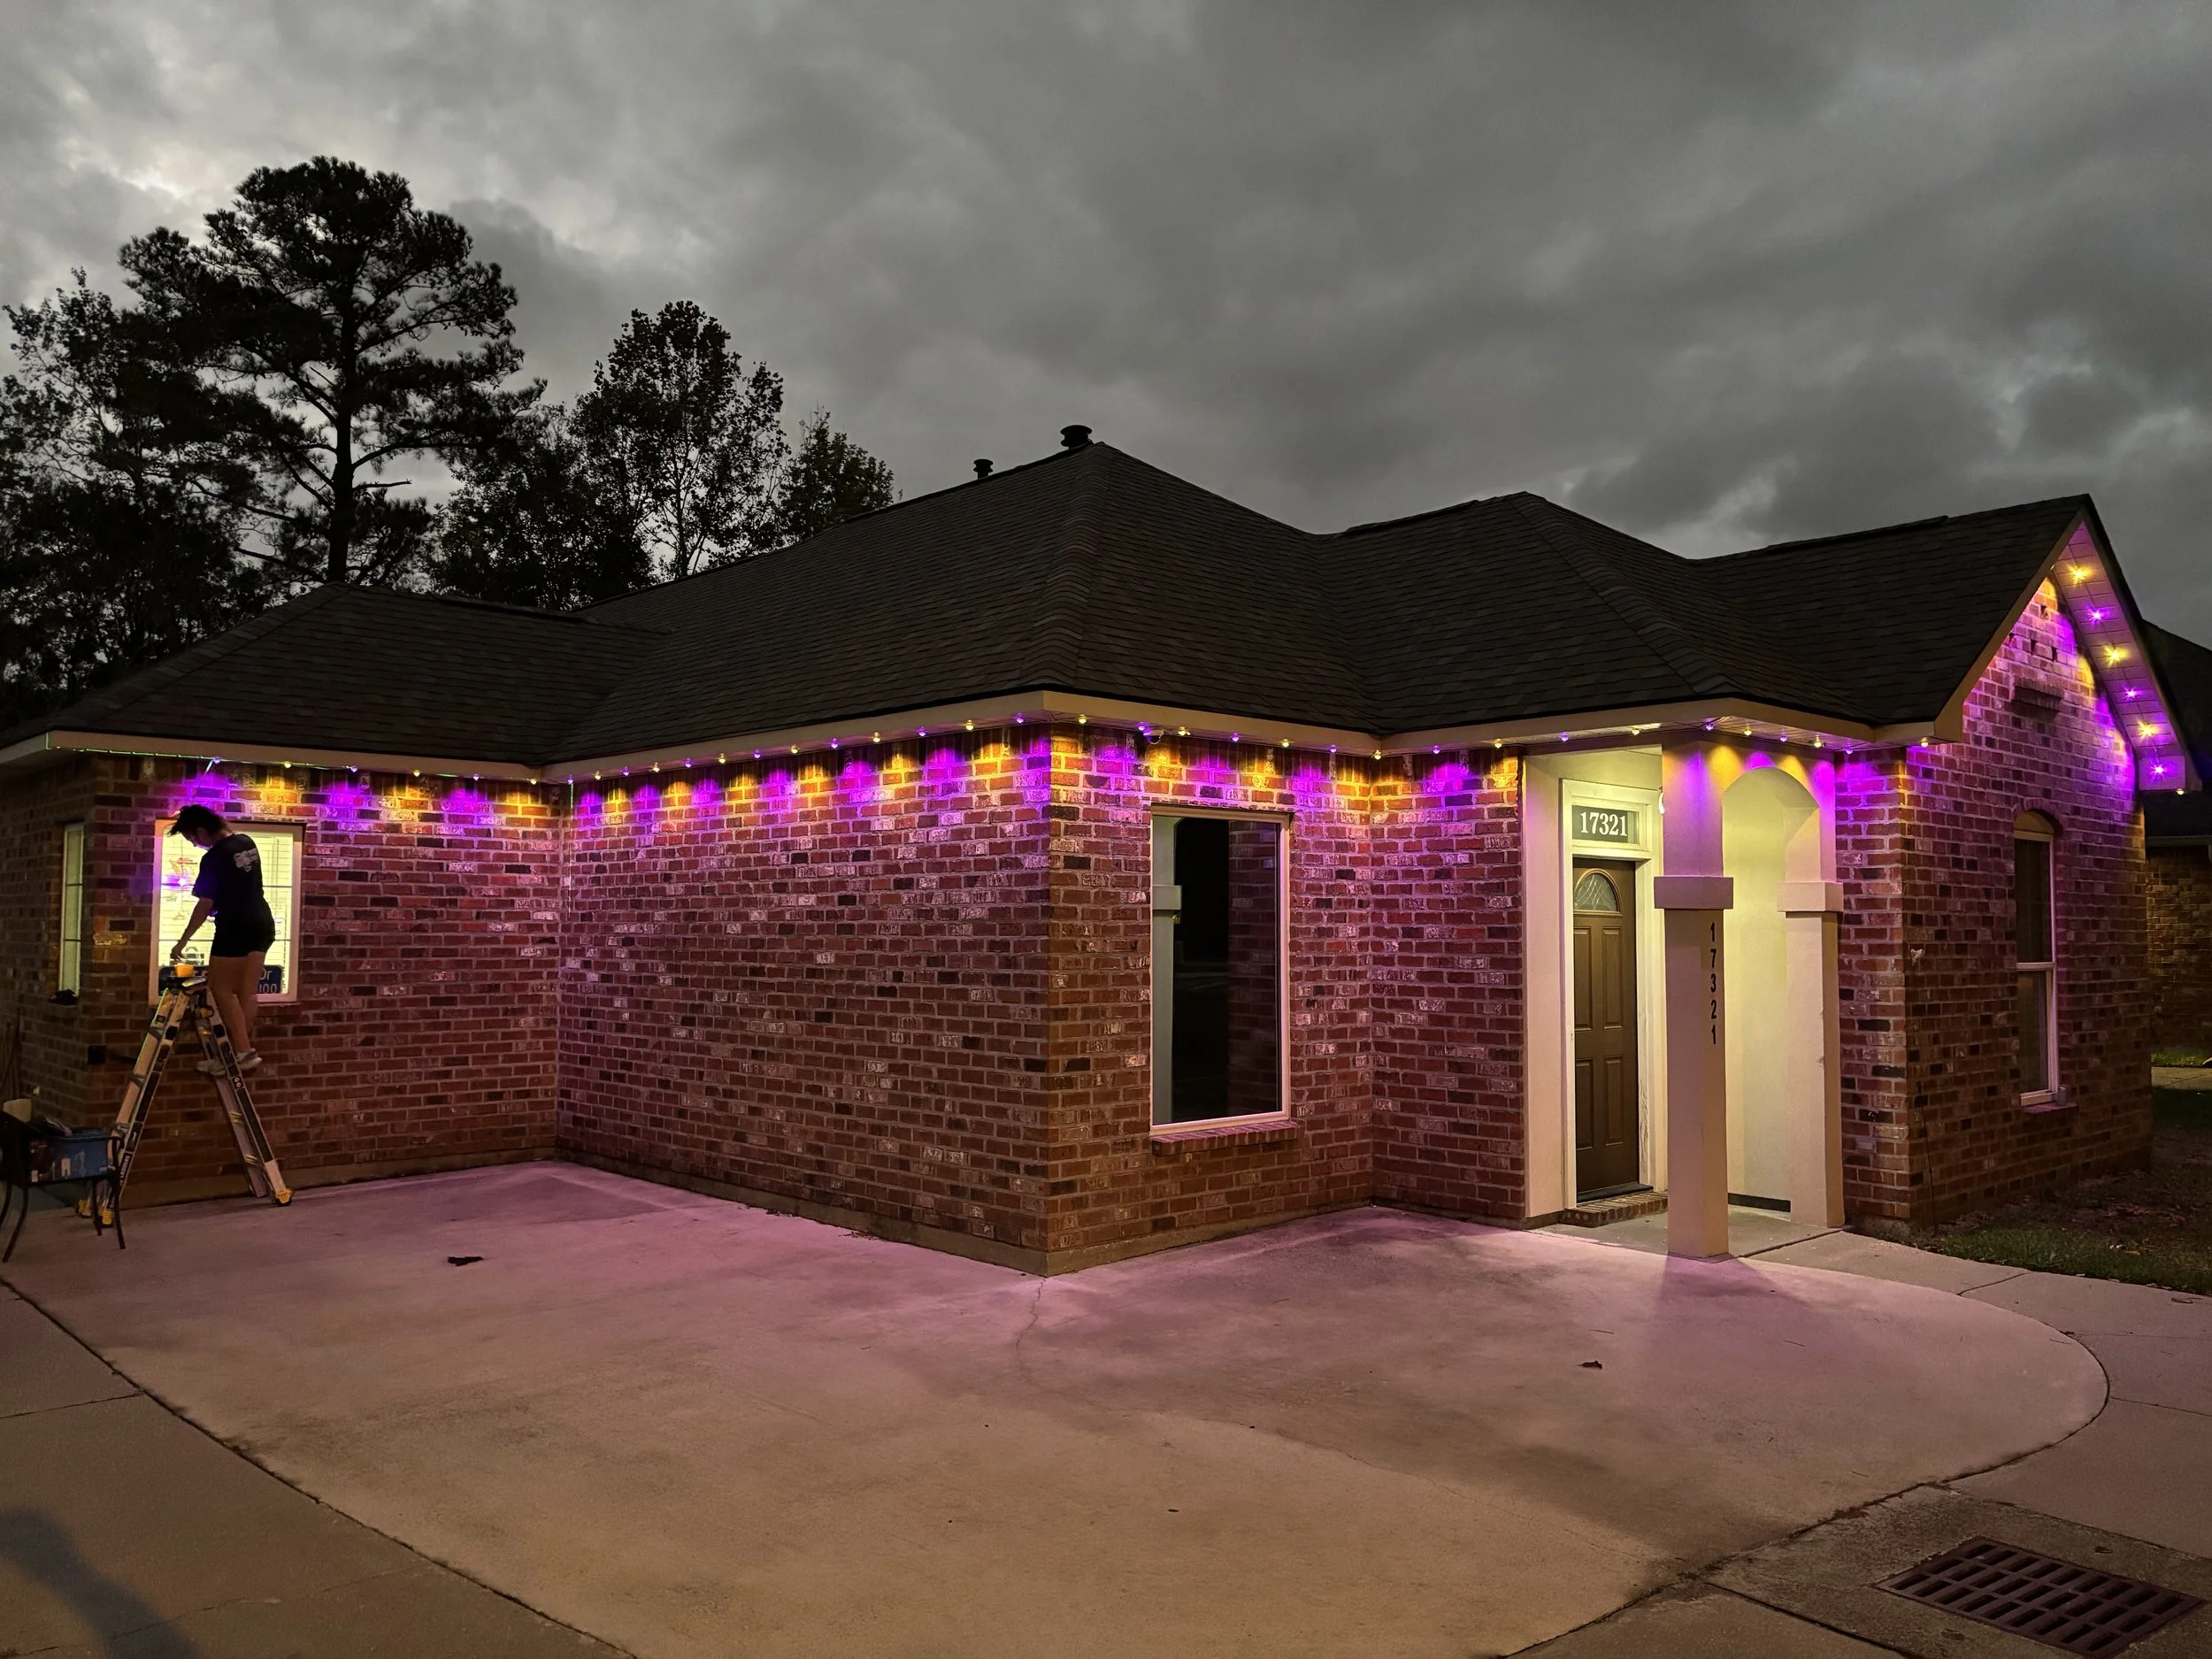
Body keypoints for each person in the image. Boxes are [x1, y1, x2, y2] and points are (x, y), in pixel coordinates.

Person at [166, 804, 275, 1071]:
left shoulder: (214, 857)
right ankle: (243, 1050)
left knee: (222, 989)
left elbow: (205, 903)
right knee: (246, 993)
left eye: (193, 838)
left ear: (202, 831)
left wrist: (183, 940)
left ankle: (242, 1051)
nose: (195, 845)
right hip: (262, 921)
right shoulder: (246, 842)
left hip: (235, 926)